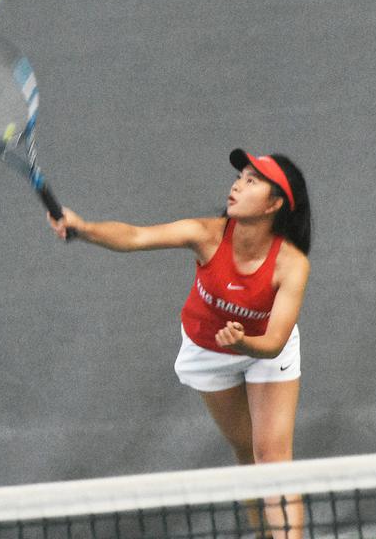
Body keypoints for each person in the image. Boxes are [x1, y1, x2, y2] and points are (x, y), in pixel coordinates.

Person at [48, 149, 312, 539]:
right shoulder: (206, 234)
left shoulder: (291, 264)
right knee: (245, 452)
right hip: (208, 352)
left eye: (253, 180)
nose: (238, 184)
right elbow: (136, 236)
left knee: (272, 458)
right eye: (240, 176)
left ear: (275, 203)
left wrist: (245, 343)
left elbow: (272, 343)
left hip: (264, 350)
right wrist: (85, 228)